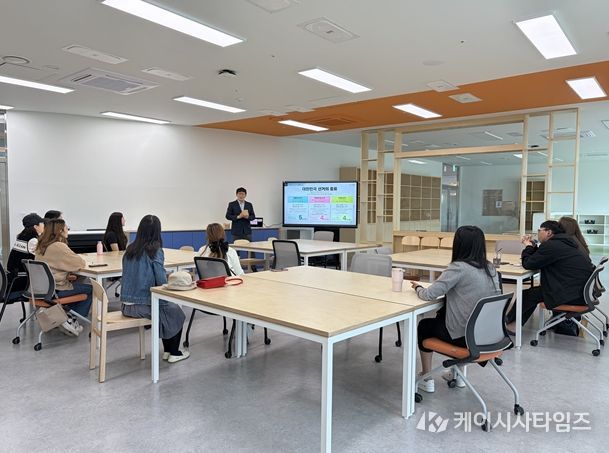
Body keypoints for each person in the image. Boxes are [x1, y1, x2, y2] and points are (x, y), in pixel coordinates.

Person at [411, 226, 500, 393]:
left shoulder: (458, 267)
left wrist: (417, 287)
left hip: (466, 338)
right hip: (489, 335)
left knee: (425, 326)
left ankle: (426, 377)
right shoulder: (490, 268)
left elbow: (429, 294)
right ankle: (457, 375)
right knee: (451, 316)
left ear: (458, 244)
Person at [120, 215, 189, 363]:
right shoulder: (155, 250)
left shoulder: (130, 250)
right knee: (175, 312)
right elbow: (160, 281)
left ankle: (167, 352)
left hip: (126, 305)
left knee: (168, 310)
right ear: (158, 231)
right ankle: (174, 352)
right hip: (141, 305)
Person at [505, 220, 594, 332]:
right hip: (578, 291)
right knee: (531, 294)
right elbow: (541, 256)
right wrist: (533, 246)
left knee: (528, 295)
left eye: (539, 230)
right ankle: (514, 325)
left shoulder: (552, 245)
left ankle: (508, 323)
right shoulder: (564, 242)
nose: (538, 233)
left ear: (548, 232)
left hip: (570, 294)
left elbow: (528, 264)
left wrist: (528, 247)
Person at [35, 218, 92, 336]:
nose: (68, 230)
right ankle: (70, 318)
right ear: (60, 231)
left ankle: (63, 314)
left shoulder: (41, 246)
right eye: (67, 228)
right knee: (91, 289)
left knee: (77, 283)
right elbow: (79, 263)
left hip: (40, 290)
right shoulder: (59, 246)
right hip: (56, 290)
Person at [6, 213, 45, 293]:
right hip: (23, 279)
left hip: (14, 275)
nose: (44, 225)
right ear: (36, 226)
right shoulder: (32, 240)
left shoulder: (22, 236)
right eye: (42, 223)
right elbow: (41, 258)